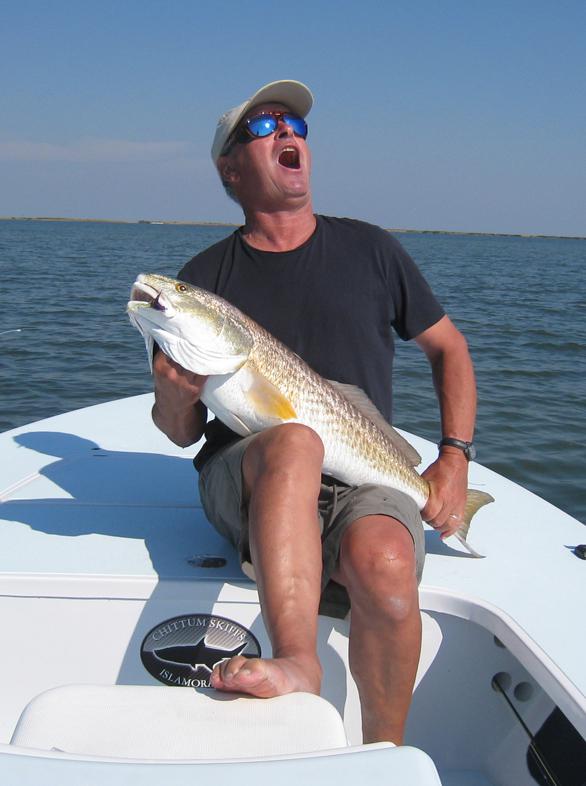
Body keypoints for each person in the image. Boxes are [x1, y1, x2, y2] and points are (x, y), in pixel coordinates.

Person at [151, 80, 477, 745]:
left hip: (361, 465)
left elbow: (449, 348)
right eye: (265, 125)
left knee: (386, 565)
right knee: (295, 440)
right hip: (246, 474)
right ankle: (299, 661)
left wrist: (452, 459)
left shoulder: (372, 249)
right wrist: (173, 397)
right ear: (231, 169)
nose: (289, 131)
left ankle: (382, 754)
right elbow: (183, 434)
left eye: (295, 123)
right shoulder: (205, 279)